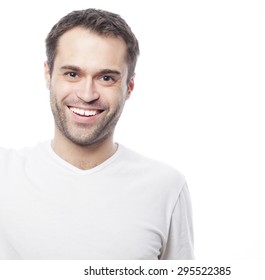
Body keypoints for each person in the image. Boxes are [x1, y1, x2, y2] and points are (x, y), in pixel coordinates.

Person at [0, 8, 194, 260]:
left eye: (106, 77)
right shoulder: (5, 173)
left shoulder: (166, 187)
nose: (87, 94)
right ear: (48, 74)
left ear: (129, 86)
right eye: (72, 74)